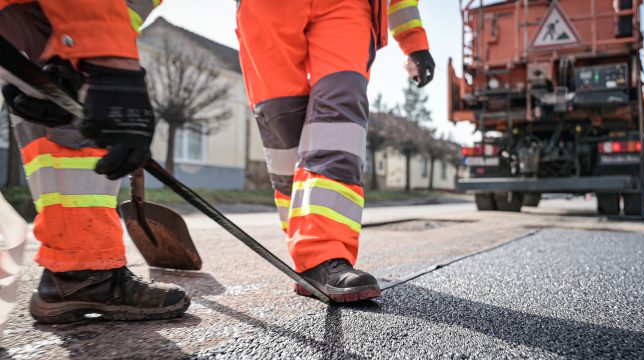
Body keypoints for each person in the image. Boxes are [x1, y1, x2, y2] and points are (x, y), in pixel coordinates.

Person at [0, 0, 189, 323]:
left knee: (68, 115)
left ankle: (80, 270)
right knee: (76, 122)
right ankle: (83, 270)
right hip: (61, 15)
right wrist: (110, 65)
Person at [236, 0, 435, 302]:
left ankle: (322, 254)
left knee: (339, 118)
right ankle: (306, 255)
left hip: (347, 7)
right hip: (267, 9)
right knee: (283, 128)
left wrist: (414, 41)